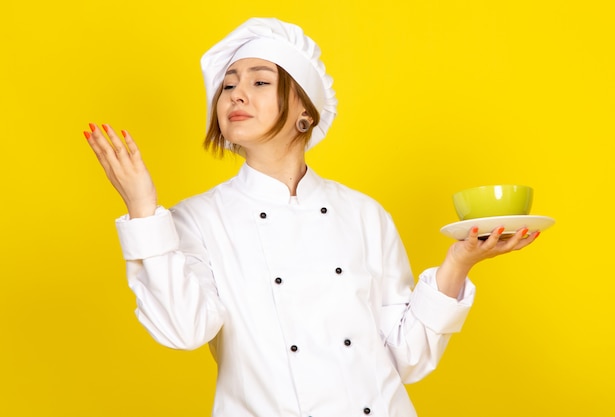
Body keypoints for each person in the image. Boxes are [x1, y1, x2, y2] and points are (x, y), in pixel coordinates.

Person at [84, 17, 539, 417]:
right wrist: (143, 212)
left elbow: (407, 358)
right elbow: (184, 330)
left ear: (305, 108)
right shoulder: (196, 220)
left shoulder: (364, 214)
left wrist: (458, 263)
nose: (236, 93)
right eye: (228, 85)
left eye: (260, 82)